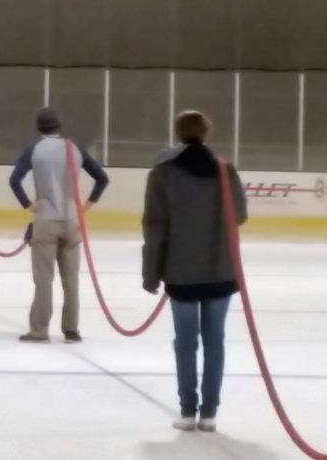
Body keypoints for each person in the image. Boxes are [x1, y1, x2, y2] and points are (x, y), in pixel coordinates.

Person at [142, 111, 248, 433]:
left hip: (181, 272)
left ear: (178, 132)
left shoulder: (163, 173)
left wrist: (151, 273)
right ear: (206, 132)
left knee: (185, 343)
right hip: (220, 270)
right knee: (215, 341)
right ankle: (210, 413)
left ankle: (188, 411)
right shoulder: (225, 169)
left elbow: (154, 226)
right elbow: (240, 215)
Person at [10, 107, 109, 344]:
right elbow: (102, 179)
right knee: (71, 279)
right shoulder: (74, 149)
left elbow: (14, 180)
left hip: (45, 218)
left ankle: (39, 330)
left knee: (44, 278)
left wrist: (28, 205)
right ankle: (71, 329)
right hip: (72, 219)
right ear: (59, 126)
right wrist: (86, 206)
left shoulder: (34, 150)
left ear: (38, 127)